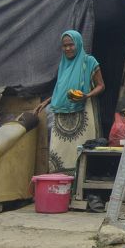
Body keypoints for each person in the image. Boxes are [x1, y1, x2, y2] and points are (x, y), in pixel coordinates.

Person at [35, 30, 105, 173]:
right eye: (64, 46)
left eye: (71, 45)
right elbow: (61, 88)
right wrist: (47, 101)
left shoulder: (89, 61)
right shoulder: (63, 64)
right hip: (62, 114)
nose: (67, 48)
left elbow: (101, 86)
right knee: (59, 150)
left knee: (82, 148)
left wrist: (87, 95)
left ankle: (82, 181)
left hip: (83, 112)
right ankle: (61, 180)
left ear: (78, 44)